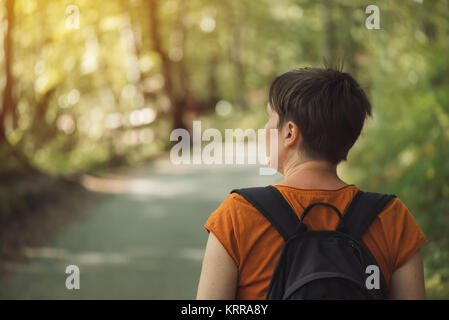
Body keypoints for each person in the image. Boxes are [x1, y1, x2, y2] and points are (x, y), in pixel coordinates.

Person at [196, 67, 427, 300]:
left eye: (270, 118)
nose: (265, 129)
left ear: (289, 133)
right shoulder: (393, 218)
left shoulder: (237, 214)